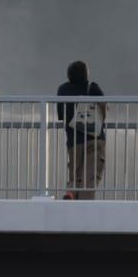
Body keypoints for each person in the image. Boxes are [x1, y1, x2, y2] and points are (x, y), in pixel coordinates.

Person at [56, 61, 107, 200]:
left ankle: (71, 193)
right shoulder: (92, 88)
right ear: (86, 74)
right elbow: (104, 109)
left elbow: (61, 115)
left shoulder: (62, 90)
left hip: (74, 141)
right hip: (94, 139)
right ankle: (84, 207)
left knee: (75, 174)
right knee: (89, 178)